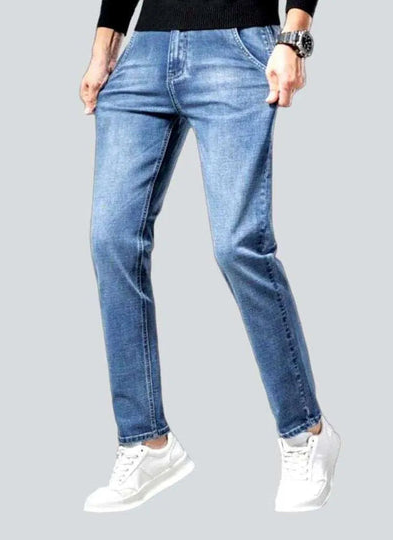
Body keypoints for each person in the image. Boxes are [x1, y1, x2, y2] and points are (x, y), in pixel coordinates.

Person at [80, 0, 341, 513]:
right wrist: (103, 48)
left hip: (236, 43)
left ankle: (306, 432)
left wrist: (293, 39)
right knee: (111, 239)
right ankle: (146, 442)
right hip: (145, 50)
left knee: (238, 245)